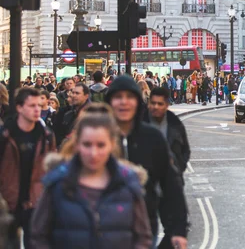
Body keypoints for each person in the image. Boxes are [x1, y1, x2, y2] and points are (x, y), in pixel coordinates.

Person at [30, 103, 153, 248]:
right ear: (76, 144)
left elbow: (143, 237)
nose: (93, 154)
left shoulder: (128, 183)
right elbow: (38, 235)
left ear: (112, 144)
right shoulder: (57, 183)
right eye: (87, 145)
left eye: (101, 145)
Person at [105, 76, 188, 247]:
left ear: (137, 102)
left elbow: (171, 186)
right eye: (118, 97)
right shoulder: (99, 135)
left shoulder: (152, 137)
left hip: (143, 223)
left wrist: (178, 230)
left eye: (129, 97)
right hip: (104, 224)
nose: (124, 102)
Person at [0, 88, 56, 248]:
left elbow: (50, 167)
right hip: (8, 201)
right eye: (32, 105)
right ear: (19, 108)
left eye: (39, 105)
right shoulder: (5, 134)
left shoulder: (46, 135)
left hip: (35, 202)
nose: (37, 109)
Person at [144, 87, 191, 178]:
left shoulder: (176, 124)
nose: (156, 107)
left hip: (172, 180)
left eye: (160, 104)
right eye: (153, 103)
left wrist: (178, 167)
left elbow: (185, 150)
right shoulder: (140, 123)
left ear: (167, 105)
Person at [53, 83, 91, 147]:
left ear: (86, 96)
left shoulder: (93, 114)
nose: (74, 95)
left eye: (77, 93)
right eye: (73, 93)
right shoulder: (67, 115)